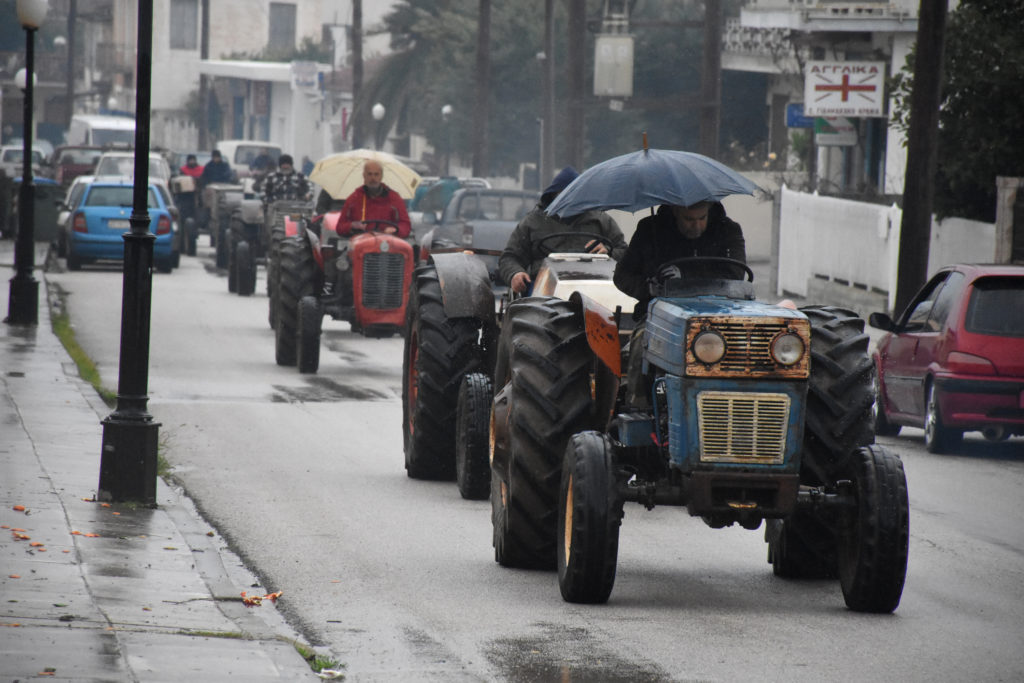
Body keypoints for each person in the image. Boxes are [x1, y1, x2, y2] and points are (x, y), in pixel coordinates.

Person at [613, 200, 746, 409]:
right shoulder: (650, 230)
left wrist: (687, 277)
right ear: (675, 211)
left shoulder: (728, 230)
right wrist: (648, 288)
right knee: (641, 344)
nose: (696, 226)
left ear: (710, 211)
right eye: (689, 219)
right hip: (659, 312)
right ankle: (639, 406)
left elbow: (736, 274)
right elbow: (622, 276)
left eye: (702, 218)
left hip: (719, 311)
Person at [499, 166, 627, 294]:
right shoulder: (532, 222)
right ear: (553, 195)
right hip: (543, 291)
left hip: (594, 290)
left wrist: (608, 252)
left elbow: (625, 253)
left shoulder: (601, 220)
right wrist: (515, 273)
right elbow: (510, 257)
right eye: (563, 194)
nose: (569, 199)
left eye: (575, 193)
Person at [336, 159, 411, 238]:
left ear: (381, 176)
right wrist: (351, 226)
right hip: (361, 244)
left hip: (388, 244)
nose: (373, 178)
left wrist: (396, 230)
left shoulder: (394, 199)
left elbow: (406, 225)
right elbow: (340, 227)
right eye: (369, 174)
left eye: (376, 174)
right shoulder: (354, 199)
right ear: (364, 176)